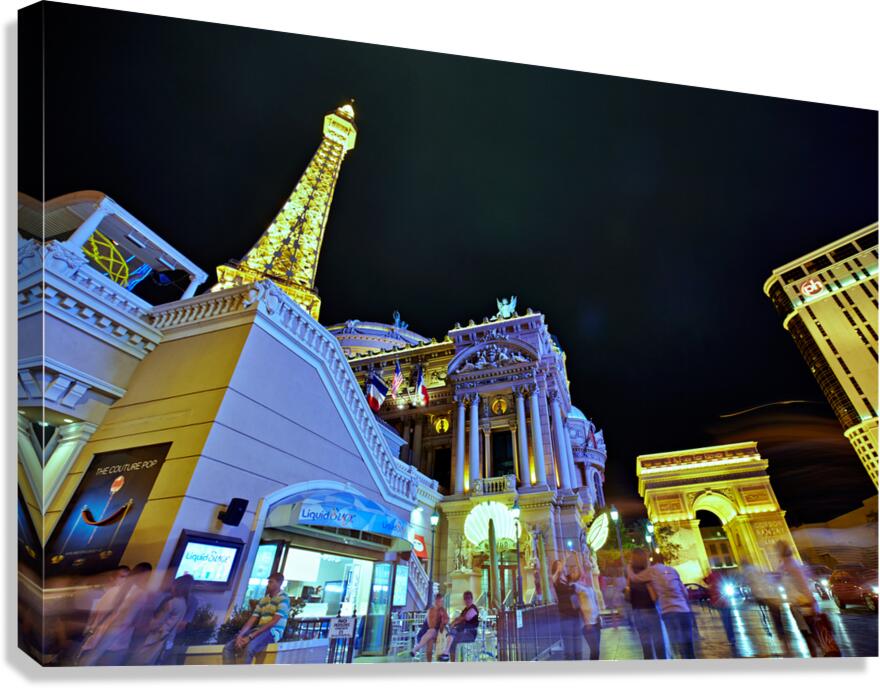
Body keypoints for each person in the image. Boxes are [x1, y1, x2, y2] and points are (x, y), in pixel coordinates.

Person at [78, 562, 153, 665]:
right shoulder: (141, 595)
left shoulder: (112, 591)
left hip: (96, 640)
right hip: (117, 645)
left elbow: (95, 614)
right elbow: (138, 622)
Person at [627, 553, 695, 659]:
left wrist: (629, 567)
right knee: (688, 646)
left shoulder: (652, 571)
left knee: (675, 646)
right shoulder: (672, 570)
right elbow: (685, 592)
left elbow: (634, 578)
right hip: (684, 611)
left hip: (668, 611)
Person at [223, 571, 290, 664]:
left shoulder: (284, 599)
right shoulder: (264, 599)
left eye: (271, 582)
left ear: (279, 583)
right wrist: (240, 636)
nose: (268, 585)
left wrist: (250, 637)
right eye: (268, 582)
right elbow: (252, 619)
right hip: (259, 630)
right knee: (228, 648)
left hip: (273, 632)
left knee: (249, 648)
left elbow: (274, 622)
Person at [127, 574, 194, 665]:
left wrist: (142, 628)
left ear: (177, 586)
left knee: (139, 663)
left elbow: (157, 622)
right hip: (168, 640)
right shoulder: (184, 603)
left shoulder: (171, 602)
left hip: (157, 638)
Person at [776, 541, 820, 657]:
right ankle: (818, 654)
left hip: (802, 603)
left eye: (778, 550)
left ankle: (821, 654)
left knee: (811, 632)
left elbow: (802, 584)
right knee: (808, 633)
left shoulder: (788, 566)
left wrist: (812, 601)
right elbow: (799, 585)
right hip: (798, 604)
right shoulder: (788, 566)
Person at [741, 557, 788, 655]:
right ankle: (781, 634)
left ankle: (775, 631)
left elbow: (750, 584)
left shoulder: (748, 572)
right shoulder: (757, 568)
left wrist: (753, 594)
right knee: (775, 615)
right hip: (770, 595)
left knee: (767, 613)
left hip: (764, 596)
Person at [626, 549, 667, 659]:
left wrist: (629, 567)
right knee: (659, 644)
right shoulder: (649, 572)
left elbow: (629, 593)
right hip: (650, 610)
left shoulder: (631, 574)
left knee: (646, 647)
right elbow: (655, 595)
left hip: (637, 612)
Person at [551, 560, 583, 660]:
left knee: (578, 647)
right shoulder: (557, 581)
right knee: (569, 650)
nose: (562, 567)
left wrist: (576, 558)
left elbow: (579, 574)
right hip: (565, 616)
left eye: (562, 565)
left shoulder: (568, 579)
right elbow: (553, 579)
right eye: (559, 565)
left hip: (576, 615)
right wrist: (558, 571)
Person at [703, 569, 738, 657]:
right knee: (728, 621)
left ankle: (731, 638)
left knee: (726, 621)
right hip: (725, 602)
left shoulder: (713, 579)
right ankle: (732, 638)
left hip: (721, 603)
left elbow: (706, 582)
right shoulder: (721, 578)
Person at [437, 591, 479, 662]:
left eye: (468, 598)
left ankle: (447, 654)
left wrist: (455, 622)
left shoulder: (473, 609)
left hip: (470, 633)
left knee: (452, 637)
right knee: (452, 637)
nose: (467, 600)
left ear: (472, 599)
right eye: (465, 598)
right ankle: (448, 656)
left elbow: (465, 618)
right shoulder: (465, 609)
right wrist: (453, 623)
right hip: (463, 631)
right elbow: (459, 618)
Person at [572, 563, 601, 660]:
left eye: (576, 570)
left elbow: (594, 602)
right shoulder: (575, 586)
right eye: (573, 571)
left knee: (597, 650)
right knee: (594, 649)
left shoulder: (587, 586)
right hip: (588, 623)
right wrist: (585, 620)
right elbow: (577, 605)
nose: (576, 572)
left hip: (596, 621)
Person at [410, 593, 449, 661]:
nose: (440, 603)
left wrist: (443, 619)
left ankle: (416, 648)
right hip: (426, 633)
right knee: (430, 640)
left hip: (439, 633)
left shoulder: (443, 610)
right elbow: (431, 625)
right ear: (435, 601)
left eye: (441, 601)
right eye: (439, 601)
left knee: (431, 632)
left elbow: (447, 620)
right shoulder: (431, 610)